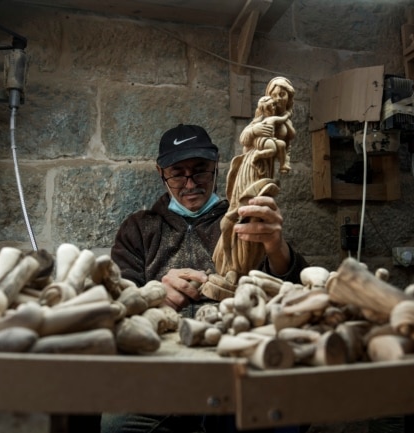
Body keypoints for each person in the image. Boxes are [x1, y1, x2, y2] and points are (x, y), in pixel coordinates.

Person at [103, 123, 308, 433]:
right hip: (161, 368)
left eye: (200, 171)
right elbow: (117, 302)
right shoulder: (139, 228)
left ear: (216, 166)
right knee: (118, 425)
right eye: (177, 173)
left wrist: (277, 246)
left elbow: (288, 289)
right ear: (161, 172)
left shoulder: (243, 220)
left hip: (236, 360)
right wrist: (156, 296)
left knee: (286, 418)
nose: (190, 184)